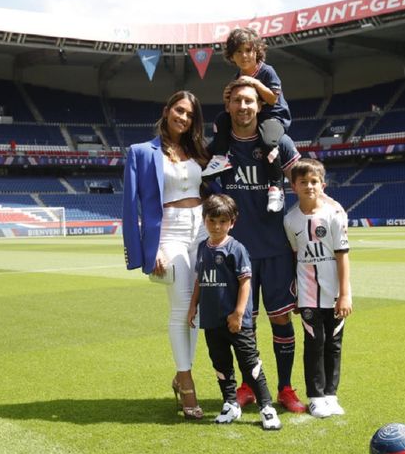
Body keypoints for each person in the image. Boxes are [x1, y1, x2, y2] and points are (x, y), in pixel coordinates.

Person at [208, 78, 307, 413]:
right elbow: (205, 185)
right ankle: (248, 386)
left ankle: (286, 389)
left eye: (249, 101)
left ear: (259, 105)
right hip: (238, 254)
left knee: (281, 320)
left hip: (277, 250)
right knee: (241, 325)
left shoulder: (281, 142)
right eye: (237, 101)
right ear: (228, 106)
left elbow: (304, 180)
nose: (243, 107)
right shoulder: (221, 149)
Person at [122, 90, 209, 420]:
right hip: (168, 233)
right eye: (179, 110)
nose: (183, 117)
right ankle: (186, 382)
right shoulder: (141, 153)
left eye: (189, 114)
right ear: (167, 110)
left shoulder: (199, 150)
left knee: (198, 308)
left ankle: (181, 373)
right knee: (181, 305)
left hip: (201, 228)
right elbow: (131, 207)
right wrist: (149, 249)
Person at [187, 194, 282, 430]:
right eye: (212, 221)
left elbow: (245, 282)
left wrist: (238, 313)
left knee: (250, 365)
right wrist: (193, 306)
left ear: (232, 222)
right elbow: (200, 280)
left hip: (237, 321)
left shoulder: (236, 248)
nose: (217, 226)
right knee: (221, 365)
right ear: (204, 220)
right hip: (211, 319)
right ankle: (230, 404)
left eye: (223, 221)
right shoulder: (202, 248)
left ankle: (266, 407)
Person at [283, 158, 352, 418]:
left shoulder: (334, 215)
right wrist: (296, 295)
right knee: (314, 343)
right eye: (303, 182)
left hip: (334, 293)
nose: (309, 186)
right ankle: (315, 396)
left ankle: (331, 395)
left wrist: (345, 294)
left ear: (322, 185)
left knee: (333, 343)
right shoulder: (290, 220)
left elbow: (342, 255)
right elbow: (294, 256)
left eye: (314, 182)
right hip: (307, 293)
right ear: (294, 187)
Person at [204, 27, 291, 213]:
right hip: (253, 119)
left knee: (268, 143)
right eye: (239, 51)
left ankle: (276, 187)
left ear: (257, 51)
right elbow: (232, 106)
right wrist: (226, 96)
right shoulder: (237, 77)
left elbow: (272, 99)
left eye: (249, 50)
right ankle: (220, 157)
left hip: (273, 118)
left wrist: (255, 83)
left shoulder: (267, 72)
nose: (244, 55)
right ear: (231, 56)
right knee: (221, 119)